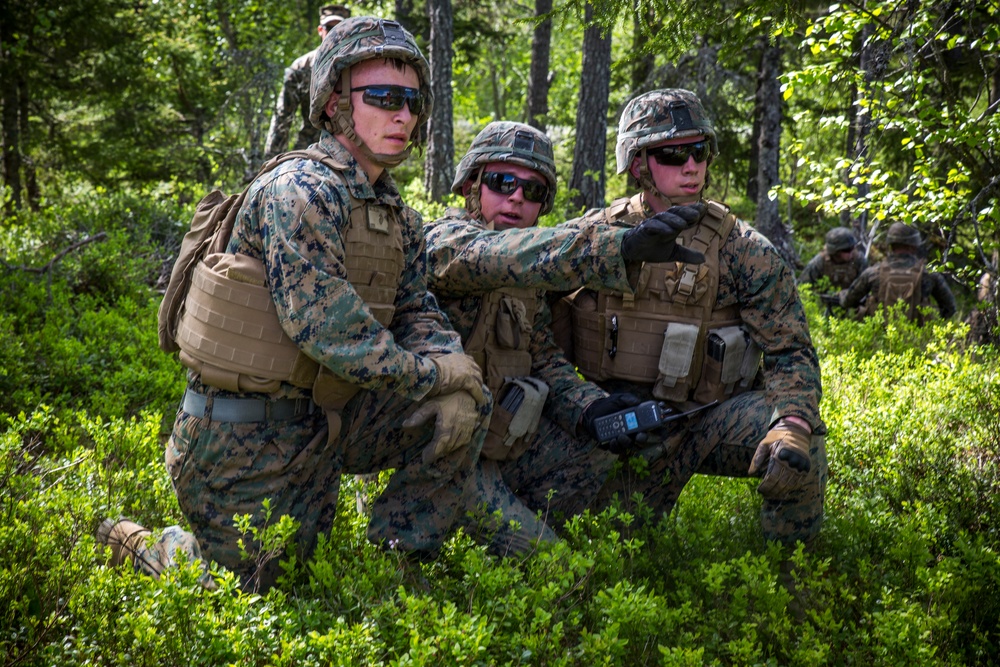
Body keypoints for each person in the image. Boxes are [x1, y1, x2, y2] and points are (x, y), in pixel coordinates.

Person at [100, 16, 492, 593]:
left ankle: (399, 563)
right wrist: (435, 373)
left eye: (412, 100)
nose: (403, 114)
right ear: (335, 104)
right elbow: (330, 330)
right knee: (253, 590)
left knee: (466, 406)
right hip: (244, 439)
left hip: (322, 423)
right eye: (382, 97)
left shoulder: (396, 214)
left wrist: (452, 373)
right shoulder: (301, 192)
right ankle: (151, 545)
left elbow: (415, 309)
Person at [562, 89, 827, 549]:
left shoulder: (745, 249)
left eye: (699, 151)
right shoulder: (597, 235)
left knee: (799, 448)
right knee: (604, 556)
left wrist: (793, 423)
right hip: (621, 428)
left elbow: (790, 350)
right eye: (673, 153)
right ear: (639, 164)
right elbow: (535, 324)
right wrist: (583, 405)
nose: (691, 166)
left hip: (709, 421)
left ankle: (792, 588)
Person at [424, 121, 706, 543]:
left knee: (604, 456)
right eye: (502, 182)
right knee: (552, 568)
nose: (517, 197)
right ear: (470, 186)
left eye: (533, 191)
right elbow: (496, 257)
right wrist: (618, 247)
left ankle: (516, 526)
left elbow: (545, 362)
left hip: (501, 442)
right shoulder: (444, 243)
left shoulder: (529, 278)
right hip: (441, 453)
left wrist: (592, 409)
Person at [262, 5, 351, 161]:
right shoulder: (301, 67)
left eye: (340, 28)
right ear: (320, 30)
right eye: (330, 28)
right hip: (310, 151)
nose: (335, 33)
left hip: (349, 148)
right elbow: (282, 118)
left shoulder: (358, 66)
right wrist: (272, 161)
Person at [839, 222, 956, 322]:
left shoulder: (872, 273)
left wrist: (841, 294)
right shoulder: (930, 275)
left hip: (878, 340)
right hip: (917, 340)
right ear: (915, 245)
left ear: (890, 245)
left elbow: (847, 302)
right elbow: (950, 309)